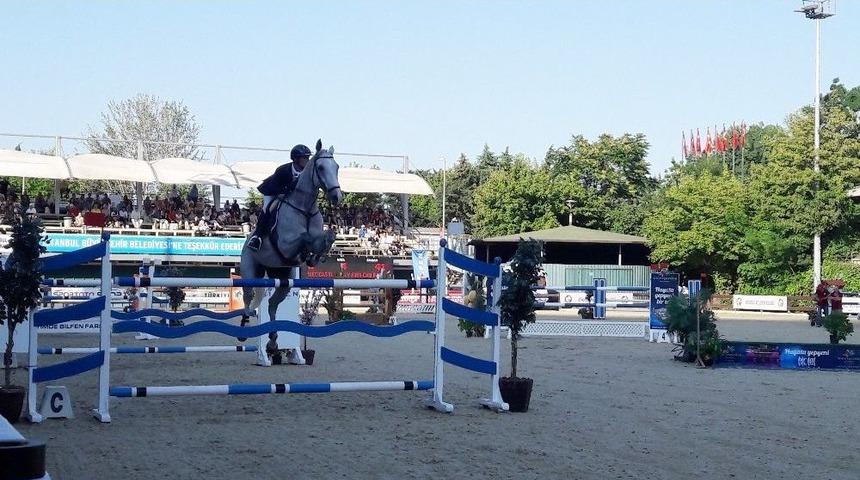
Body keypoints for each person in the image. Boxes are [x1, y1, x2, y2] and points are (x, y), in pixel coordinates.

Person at [247, 144, 312, 251]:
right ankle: (257, 237)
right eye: (304, 158)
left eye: (307, 157)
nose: (307, 160)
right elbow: (274, 187)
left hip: (289, 194)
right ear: (295, 159)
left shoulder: (307, 173)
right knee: (268, 208)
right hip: (272, 191)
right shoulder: (283, 170)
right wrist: (287, 190)